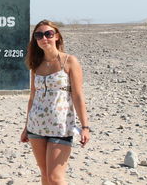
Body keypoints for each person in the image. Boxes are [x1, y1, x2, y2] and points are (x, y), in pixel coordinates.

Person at [20, 19, 90, 185]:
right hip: (36, 126)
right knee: (45, 175)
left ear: (57, 36)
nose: (44, 38)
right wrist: (26, 127)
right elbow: (32, 96)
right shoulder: (35, 65)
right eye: (39, 35)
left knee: (55, 179)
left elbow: (78, 95)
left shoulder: (69, 61)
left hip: (61, 127)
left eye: (48, 34)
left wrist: (85, 127)